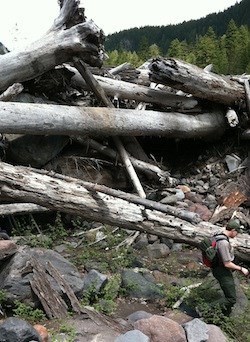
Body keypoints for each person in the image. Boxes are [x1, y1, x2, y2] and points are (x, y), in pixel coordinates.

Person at [211, 219, 249, 316]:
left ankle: (221, 315)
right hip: (221, 270)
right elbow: (227, 264)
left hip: (218, 267)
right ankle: (205, 309)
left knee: (229, 292)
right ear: (232, 230)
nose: (237, 235)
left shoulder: (218, 235)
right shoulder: (223, 243)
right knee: (231, 299)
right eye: (237, 232)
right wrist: (241, 269)